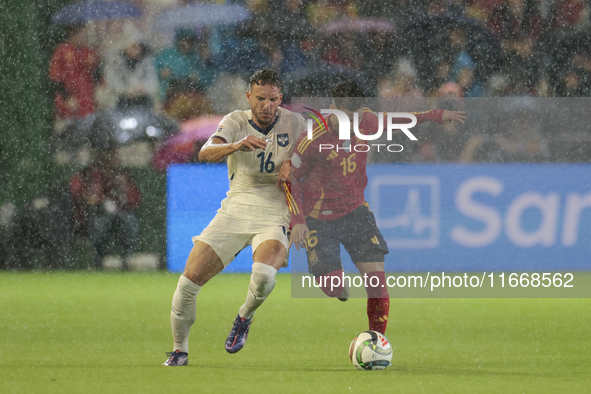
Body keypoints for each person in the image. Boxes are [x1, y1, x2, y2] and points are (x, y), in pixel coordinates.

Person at [289, 81, 465, 335]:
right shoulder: (311, 139)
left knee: (377, 283)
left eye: (354, 119)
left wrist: (437, 116)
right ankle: (337, 286)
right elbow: (291, 179)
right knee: (331, 286)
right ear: (332, 109)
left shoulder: (368, 122)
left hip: (356, 213)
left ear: (362, 113)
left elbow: (403, 119)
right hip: (319, 219)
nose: (349, 126)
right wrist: (298, 221)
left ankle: (377, 341)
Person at [163, 69, 305, 366]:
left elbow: (317, 158)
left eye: (274, 99)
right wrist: (237, 145)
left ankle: (244, 317)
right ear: (248, 96)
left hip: (275, 208)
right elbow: (205, 152)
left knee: (265, 276)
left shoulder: (295, 123)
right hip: (237, 205)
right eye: (261, 98)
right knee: (188, 284)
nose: (267, 105)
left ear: (281, 98)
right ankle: (179, 350)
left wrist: (294, 163)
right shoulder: (236, 121)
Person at [69, 148, 142, 269]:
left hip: (120, 213)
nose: (113, 159)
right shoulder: (89, 174)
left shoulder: (122, 175)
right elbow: (79, 193)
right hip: (95, 213)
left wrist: (123, 187)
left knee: (129, 221)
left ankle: (127, 258)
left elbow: (135, 200)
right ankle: (98, 258)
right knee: (98, 224)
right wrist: (94, 199)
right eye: (110, 156)